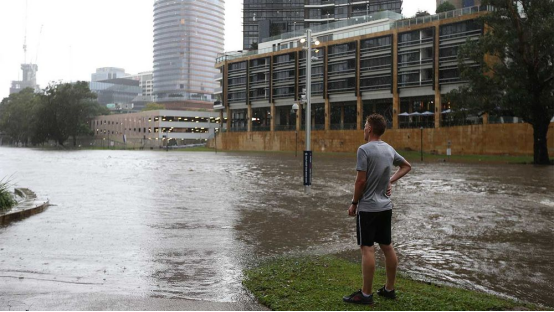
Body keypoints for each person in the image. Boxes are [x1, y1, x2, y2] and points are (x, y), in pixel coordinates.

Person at [343, 114, 412, 305]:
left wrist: (354, 202)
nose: (364, 129)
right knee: (387, 246)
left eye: (365, 126)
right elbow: (407, 166)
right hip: (385, 206)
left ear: (370, 129)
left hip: (368, 208)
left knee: (367, 249)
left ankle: (366, 294)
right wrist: (390, 180)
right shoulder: (389, 149)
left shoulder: (364, 150)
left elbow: (361, 180)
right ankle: (389, 289)